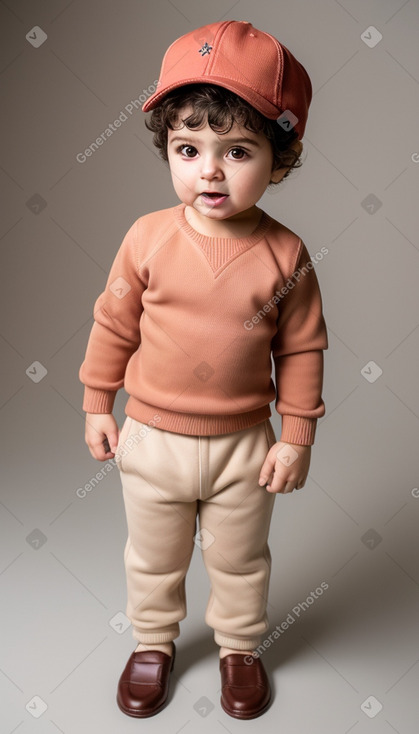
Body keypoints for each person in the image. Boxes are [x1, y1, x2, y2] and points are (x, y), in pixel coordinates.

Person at [79, 19, 328, 720]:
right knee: (151, 557)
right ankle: (152, 643)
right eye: (188, 149)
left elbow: (301, 348)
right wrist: (99, 402)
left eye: (237, 150)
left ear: (280, 159)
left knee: (241, 560)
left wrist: (296, 435)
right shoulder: (146, 238)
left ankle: (239, 648)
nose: (209, 170)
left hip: (243, 448)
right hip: (151, 440)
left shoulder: (286, 254)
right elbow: (114, 323)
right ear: (167, 149)